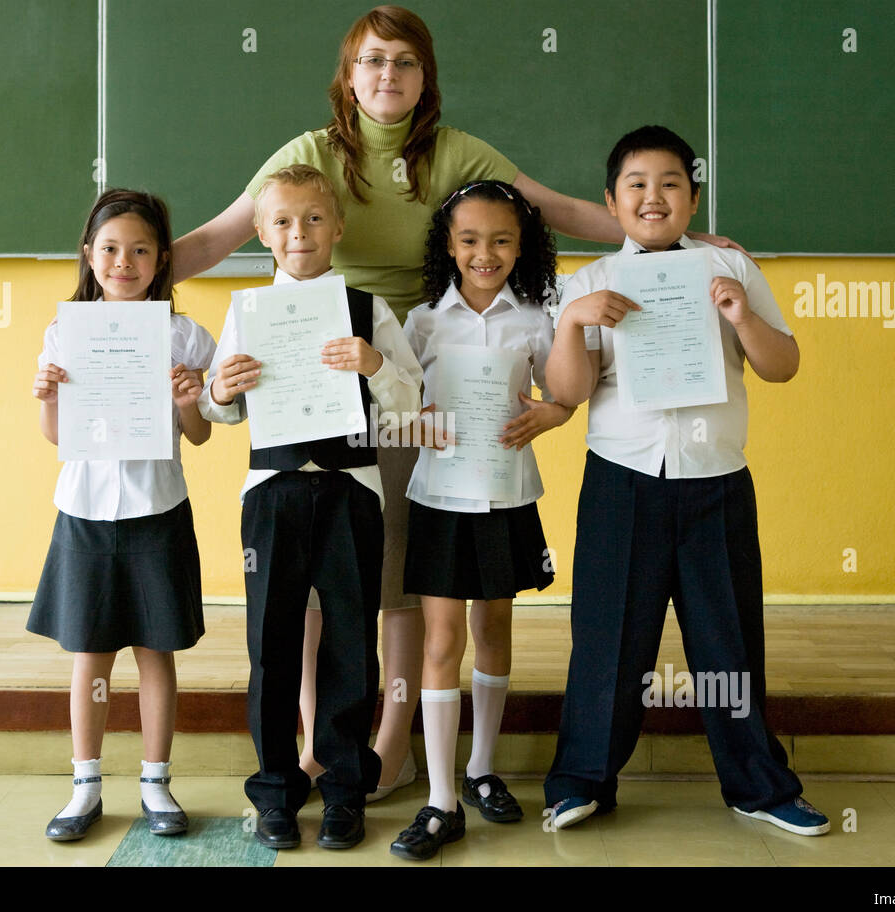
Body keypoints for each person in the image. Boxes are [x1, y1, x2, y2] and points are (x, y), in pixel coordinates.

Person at [172, 4, 713, 803]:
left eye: (404, 63)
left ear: (425, 79)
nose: (387, 75)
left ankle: (393, 732)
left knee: (392, 572)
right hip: (312, 376)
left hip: (406, 369)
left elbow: (554, 211)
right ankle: (320, 732)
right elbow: (220, 237)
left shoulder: (456, 150)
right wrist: (125, 284)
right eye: (372, 61)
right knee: (315, 583)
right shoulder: (308, 155)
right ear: (348, 75)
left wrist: (670, 238)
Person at [542, 126, 829, 836]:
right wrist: (572, 325)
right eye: (636, 184)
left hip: (716, 481)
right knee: (608, 637)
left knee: (728, 640)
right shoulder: (587, 284)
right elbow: (568, 392)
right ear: (611, 202)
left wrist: (739, 313)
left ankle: (757, 785)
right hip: (622, 479)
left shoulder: (730, 268)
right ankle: (581, 779)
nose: (653, 196)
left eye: (671, 183)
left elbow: (783, 364)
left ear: (692, 197)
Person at [197, 165, 422, 850]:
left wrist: (374, 364)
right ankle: (274, 791)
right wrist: (222, 390)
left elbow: (410, 403)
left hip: (354, 489)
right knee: (272, 644)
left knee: (352, 641)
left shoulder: (368, 309)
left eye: (315, 219)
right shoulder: (246, 309)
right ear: (263, 234)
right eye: (286, 222)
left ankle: (346, 790)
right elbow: (217, 410)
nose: (302, 233)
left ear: (339, 227)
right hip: (273, 494)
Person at [388, 180, 570, 860]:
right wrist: (417, 421)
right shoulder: (425, 321)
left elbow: (563, 393)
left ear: (521, 244)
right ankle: (440, 798)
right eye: (469, 240)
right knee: (440, 643)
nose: (484, 253)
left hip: (507, 495)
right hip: (439, 498)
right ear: (448, 246)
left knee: (493, 627)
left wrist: (553, 413)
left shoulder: (535, 317)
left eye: (500, 239)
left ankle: (482, 768)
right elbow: (397, 409)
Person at [28, 190, 216, 841]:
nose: (124, 261)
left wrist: (190, 397)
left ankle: (156, 782)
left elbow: (199, 435)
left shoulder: (185, 334)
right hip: (84, 512)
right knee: (90, 653)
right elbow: (57, 435)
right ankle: (85, 785)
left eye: (140, 250)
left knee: (156, 650)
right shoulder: (65, 331)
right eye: (110, 249)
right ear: (89, 255)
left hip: (156, 510)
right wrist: (48, 396)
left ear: (162, 257)